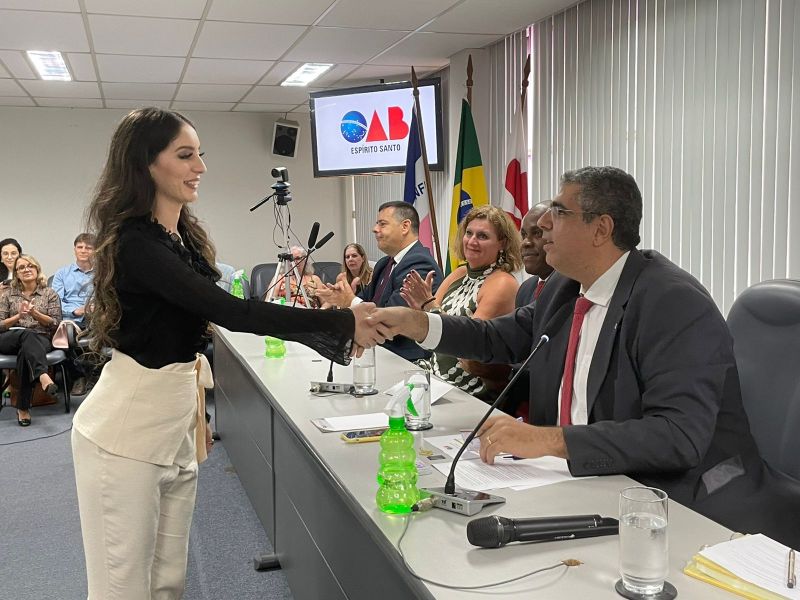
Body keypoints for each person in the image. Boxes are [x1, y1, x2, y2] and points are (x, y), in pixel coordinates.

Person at [370, 166, 799, 547]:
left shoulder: (672, 303)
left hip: (677, 500)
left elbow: (677, 436)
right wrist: (418, 323)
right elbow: (499, 337)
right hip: (578, 482)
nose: (542, 224)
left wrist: (548, 440)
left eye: (559, 212)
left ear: (601, 229)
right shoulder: (563, 287)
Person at [70, 107, 383, 599]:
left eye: (200, 154)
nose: (200, 167)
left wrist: (192, 419)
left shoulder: (181, 238)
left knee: (168, 582)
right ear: (145, 163)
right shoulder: (137, 243)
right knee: (123, 589)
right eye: (185, 155)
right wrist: (342, 323)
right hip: (123, 436)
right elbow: (230, 311)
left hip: (170, 429)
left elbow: (189, 342)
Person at [399, 205, 520, 401]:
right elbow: (430, 334)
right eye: (469, 233)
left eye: (482, 236)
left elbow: (469, 348)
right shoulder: (459, 273)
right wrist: (420, 312)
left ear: (503, 243)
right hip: (436, 381)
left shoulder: (502, 283)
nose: (472, 241)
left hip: (471, 392)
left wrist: (428, 307)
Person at [317, 201, 443, 361]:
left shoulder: (419, 263)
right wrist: (341, 299)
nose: (375, 229)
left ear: (405, 227)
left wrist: (350, 300)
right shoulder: (384, 264)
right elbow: (365, 300)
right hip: (376, 351)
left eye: (382, 224)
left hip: (405, 359)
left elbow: (391, 321)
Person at [506, 202, 555, 418]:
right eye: (524, 234)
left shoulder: (573, 290)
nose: (526, 242)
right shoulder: (526, 288)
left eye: (537, 233)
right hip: (520, 404)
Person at [0, 254, 62, 426]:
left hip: (40, 338)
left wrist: (36, 314)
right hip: (10, 338)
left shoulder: (49, 293)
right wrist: (18, 316)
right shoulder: (7, 295)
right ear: (17, 274)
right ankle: (42, 375)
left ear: (37, 269)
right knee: (26, 335)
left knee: (26, 351)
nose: (26, 269)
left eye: (30, 266)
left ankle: (23, 408)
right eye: (21, 267)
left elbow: (55, 323)